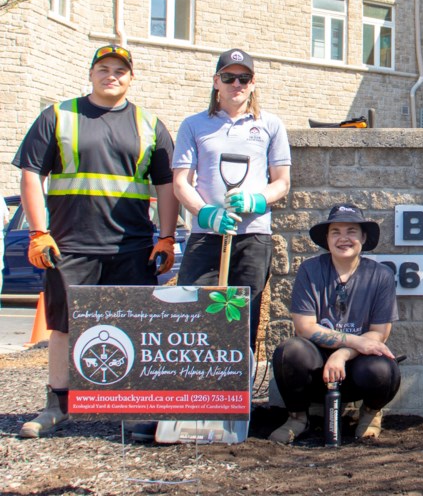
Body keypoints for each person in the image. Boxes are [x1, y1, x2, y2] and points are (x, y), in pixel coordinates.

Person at [12, 44, 178, 438]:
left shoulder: (148, 124)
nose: (112, 76)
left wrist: (167, 237)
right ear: (91, 73)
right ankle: (58, 405)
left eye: (120, 70)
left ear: (131, 78)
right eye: (103, 68)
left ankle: (133, 406)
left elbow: (167, 184)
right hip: (69, 244)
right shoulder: (58, 116)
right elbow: (31, 173)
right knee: (64, 326)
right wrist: (39, 231)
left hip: (132, 245)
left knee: (134, 325)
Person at [173, 48, 291, 351]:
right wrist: (205, 213)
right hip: (207, 236)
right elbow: (180, 183)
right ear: (216, 81)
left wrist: (255, 200)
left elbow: (281, 182)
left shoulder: (270, 125)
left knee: (242, 319)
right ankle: (199, 390)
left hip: (252, 238)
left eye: (244, 77)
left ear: (252, 83)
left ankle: (238, 396)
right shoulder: (193, 125)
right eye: (229, 77)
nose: (236, 84)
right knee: (195, 314)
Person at [269, 204, 400, 443]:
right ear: (327, 239)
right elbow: (305, 327)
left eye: (351, 231)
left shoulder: (381, 275)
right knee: (290, 351)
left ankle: (370, 413)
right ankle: (297, 418)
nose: (343, 238)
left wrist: (343, 354)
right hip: (317, 369)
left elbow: (379, 334)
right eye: (335, 232)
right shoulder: (310, 270)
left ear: (363, 237)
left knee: (384, 369)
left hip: (358, 367)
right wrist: (346, 344)